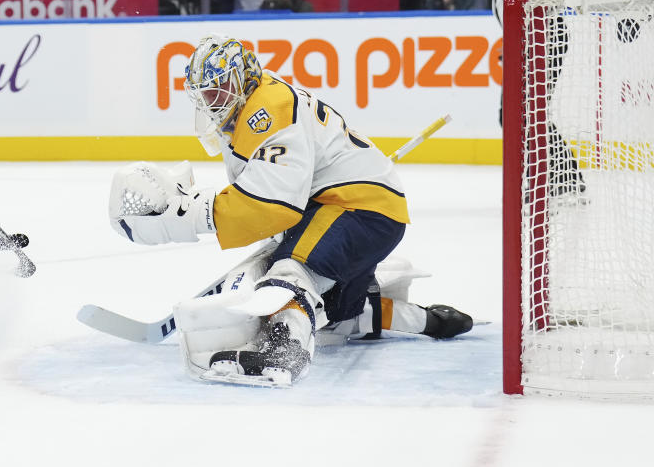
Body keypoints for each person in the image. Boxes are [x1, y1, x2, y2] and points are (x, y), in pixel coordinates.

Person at [107, 35, 473, 386]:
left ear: (242, 79)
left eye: (217, 89)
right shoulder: (252, 105)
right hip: (361, 206)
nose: (209, 100)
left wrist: (194, 212)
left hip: (357, 208)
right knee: (338, 319)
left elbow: (272, 204)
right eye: (203, 92)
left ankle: (284, 353)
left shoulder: (268, 111)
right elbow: (273, 196)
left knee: (290, 272)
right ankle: (431, 321)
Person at [479, 0, 582, 197]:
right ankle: (562, 180)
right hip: (525, 43)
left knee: (523, 113)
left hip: (541, 39)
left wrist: (529, 44)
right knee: (520, 113)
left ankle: (556, 181)